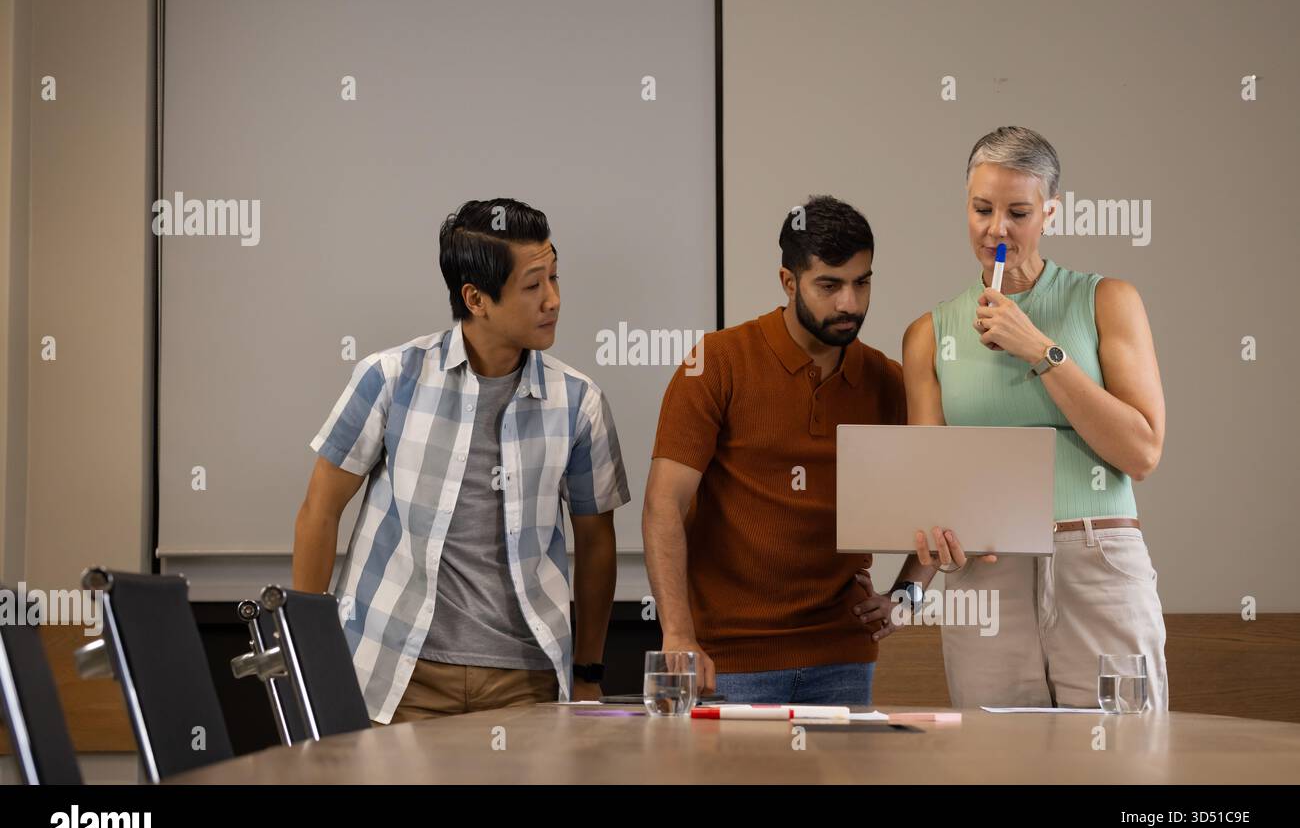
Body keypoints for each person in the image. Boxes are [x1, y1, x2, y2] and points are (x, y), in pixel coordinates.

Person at [293, 198, 630, 723]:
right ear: (476, 298)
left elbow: (595, 541)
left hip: (527, 677)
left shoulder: (579, 401)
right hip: (396, 671)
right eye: (534, 285)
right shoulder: (390, 378)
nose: (554, 301)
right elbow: (319, 510)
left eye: (556, 278)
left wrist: (589, 673)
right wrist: (308, 651)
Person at [892, 126, 1169, 710]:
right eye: (982, 209)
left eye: (1018, 212)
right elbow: (933, 484)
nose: (998, 229)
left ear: (1050, 213)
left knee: (1122, 763)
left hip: (1096, 560)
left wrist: (1040, 351)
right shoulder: (928, 334)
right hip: (983, 577)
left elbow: (1141, 452)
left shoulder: (1106, 300)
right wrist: (912, 586)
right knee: (996, 764)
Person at [644, 195, 906, 705]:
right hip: (728, 659)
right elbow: (662, 507)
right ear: (789, 283)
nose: (850, 303)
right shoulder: (716, 364)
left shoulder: (884, 379)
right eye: (830, 285)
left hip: (844, 658)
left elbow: (943, 493)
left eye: (862, 281)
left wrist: (909, 595)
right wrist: (677, 634)